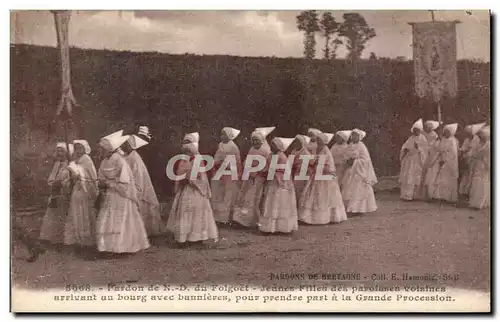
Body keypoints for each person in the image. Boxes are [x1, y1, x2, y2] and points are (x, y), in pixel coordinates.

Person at [95, 132, 150, 255]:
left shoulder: (120, 161)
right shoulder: (104, 161)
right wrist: (101, 184)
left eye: (103, 149)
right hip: (109, 195)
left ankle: (123, 247)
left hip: (120, 195)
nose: (101, 151)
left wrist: (109, 184)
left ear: (110, 149)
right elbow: (101, 176)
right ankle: (109, 247)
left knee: (122, 219)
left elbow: (125, 182)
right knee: (107, 219)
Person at [166, 140, 218, 247]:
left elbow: (201, 177)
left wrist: (190, 179)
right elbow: (179, 173)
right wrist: (181, 179)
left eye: (188, 152)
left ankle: (197, 238)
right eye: (184, 152)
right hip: (185, 189)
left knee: (197, 214)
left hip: (195, 190)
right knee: (185, 212)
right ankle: (182, 238)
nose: (186, 155)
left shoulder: (198, 161)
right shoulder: (183, 161)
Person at [299, 132, 347, 224]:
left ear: (324, 141)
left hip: (325, 175)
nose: (318, 141)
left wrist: (313, 165)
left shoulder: (325, 150)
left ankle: (327, 217)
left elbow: (325, 165)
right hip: (317, 173)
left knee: (323, 194)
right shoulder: (317, 148)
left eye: (320, 140)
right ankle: (310, 217)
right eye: (318, 139)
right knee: (314, 194)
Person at [121, 132, 163, 237]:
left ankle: (142, 232)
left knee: (141, 208)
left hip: (136, 185)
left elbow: (138, 174)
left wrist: (136, 188)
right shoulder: (127, 156)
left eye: (126, 144)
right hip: (128, 185)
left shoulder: (134, 157)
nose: (124, 146)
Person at [232, 127, 274, 228]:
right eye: (253, 140)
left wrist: (258, 171)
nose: (255, 142)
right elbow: (247, 161)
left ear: (262, 141)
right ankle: (241, 220)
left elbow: (268, 166)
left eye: (257, 140)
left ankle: (252, 220)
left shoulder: (265, 151)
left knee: (254, 198)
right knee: (244, 196)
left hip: (259, 178)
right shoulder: (251, 149)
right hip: (249, 177)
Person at [64, 140, 98, 253]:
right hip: (77, 189)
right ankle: (77, 239)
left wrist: (74, 168)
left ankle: (86, 241)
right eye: (76, 148)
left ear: (84, 149)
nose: (77, 150)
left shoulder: (86, 159)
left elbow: (88, 175)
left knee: (84, 213)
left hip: (85, 190)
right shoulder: (76, 160)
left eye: (79, 148)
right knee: (76, 213)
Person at [259, 137, 298, 234]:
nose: (271, 147)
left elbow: (284, 171)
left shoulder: (282, 157)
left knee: (279, 202)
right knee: (270, 202)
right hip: (271, 181)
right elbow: (267, 166)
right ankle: (269, 227)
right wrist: (264, 172)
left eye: (274, 145)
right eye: (271, 145)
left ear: (279, 147)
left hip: (279, 182)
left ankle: (282, 227)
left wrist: (274, 173)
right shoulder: (270, 155)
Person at [39, 142, 73, 248]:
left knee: (62, 215)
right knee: (51, 215)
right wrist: (53, 183)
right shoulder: (57, 164)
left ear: (67, 152)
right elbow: (51, 177)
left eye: (61, 151)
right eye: (57, 150)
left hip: (63, 193)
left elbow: (69, 181)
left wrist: (62, 184)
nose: (59, 153)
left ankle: (60, 240)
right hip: (55, 192)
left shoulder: (70, 165)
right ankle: (49, 238)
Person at [210, 127, 242, 225]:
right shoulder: (220, 145)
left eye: (224, 134)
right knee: (218, 193)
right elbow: (217, 157)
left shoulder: (233, 147)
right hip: (219, 172)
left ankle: (225, 218)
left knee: (227, 195)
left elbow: (236, 162)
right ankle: (217, 217)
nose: (222, 136)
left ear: (229, 136)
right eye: (221, 134)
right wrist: (215, 164)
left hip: (228, 173)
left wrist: (224, 165)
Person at [342, 129, 378, 214]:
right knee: (348, 187)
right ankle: (349, 208)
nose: (353, 137)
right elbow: (345, 156)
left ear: (359, 137)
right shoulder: (349, 145)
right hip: (350, 170)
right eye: (352, 135)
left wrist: (355, 161)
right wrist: (347, 161)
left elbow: (366, 160)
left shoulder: (362, 146)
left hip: (359, 171)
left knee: (358, 189)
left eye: (355, 135)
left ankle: (359, 209)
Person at [425, 123, 459, 203]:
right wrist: (439, 141)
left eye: (447, 132)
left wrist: (445, 159)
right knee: (441, 179)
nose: (446, 133)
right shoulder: (443, 139)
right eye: (445, 131)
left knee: (448, 180)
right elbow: (439, 149)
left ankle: (448, 197)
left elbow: (453, 153)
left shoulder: (452, 141)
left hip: (450, 163)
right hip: (442, 161)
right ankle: (441, 196)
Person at [398, 118, 429, 201]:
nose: (416, 132)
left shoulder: (423, 138)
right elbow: (404, 146)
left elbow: (425, 150)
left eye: (417, 130)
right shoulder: (411, 138)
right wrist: (405, 150)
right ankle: (406, 195)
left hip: (417, 161)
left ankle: (415, 195)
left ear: (420, 130)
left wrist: (418, 148)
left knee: (415, 178)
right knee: (408, 177)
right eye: (414, 130)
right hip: (409, 160)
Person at [458, 122, 486, 200]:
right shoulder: (467, 139)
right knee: (466, 176)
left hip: (474, 159)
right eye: (467, 133)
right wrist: (463, 151)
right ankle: (464, 192)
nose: (468, 134)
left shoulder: (476, 139)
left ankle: (471, 193)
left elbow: (476, 150)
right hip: (467, 158)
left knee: (472, 176)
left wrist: (469, 152)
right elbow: (464, 148)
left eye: (469, 133)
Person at [468, 126, 490, 210]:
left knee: (483, 183)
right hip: (477, 164)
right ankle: (474, 202)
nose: (480, 137)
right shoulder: (478, 144)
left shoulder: (489, 145)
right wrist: (472, 157)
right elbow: (473, 152)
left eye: (482, 136)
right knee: (476, 182)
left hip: (484, 165)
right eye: (480, 136)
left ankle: (481, 202)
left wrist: (485, 161)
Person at [290, 134, 313, 204]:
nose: (296, 143)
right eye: (295, 141)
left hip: (302, 174)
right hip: (293, 172)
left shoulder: (306, 153)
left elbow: (311, 163)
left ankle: (299, 205)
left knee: (299, 190)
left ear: (302, 143)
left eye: (298, 142)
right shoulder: (293, 151)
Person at [421, 120, 441, 200]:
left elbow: (435, 147)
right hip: (423, 153)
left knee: (430, 175)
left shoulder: (434, 135)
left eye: (429, 128)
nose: (427, 129)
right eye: (426, 127)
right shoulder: (422, 133)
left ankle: (431, 193)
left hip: (431, 155)